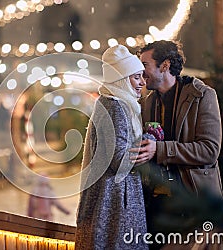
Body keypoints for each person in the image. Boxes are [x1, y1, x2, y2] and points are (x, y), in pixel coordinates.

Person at [130, 40, 223, 244]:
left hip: (193, 203)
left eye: (145, 65)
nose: (141, 71)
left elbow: (209, 151)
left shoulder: (202, 96)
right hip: (157, 205)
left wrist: (160, 149)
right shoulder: (148, 103)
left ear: (165, 65)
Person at [75, 45, 148, 250]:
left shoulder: (108, 102)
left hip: (109, 199)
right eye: (136, 77)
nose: (142, 83)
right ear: (122, 79)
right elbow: (120, 161)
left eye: (142, 76)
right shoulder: (116, 106)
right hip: (115, 203)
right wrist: (149, 140)